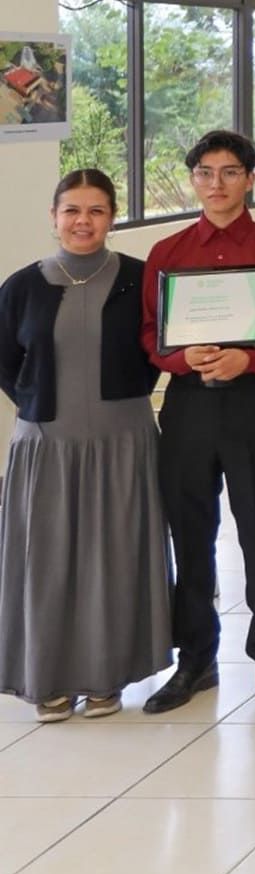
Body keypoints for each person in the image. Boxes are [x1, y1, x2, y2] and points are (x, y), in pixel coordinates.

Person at [140, 130, 255, 714]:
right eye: (206, 172)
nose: (217, 183)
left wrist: (251, 358)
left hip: (251, 404)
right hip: (186, 404)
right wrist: (176, 358)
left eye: (230, 172)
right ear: (194, 180)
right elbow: (149, 334)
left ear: (250, 179)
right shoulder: (166, 254)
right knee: (190, 533)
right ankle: (196, 659)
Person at [0, 170, 168, 722]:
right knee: (45, 563)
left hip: (123, 440)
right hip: (46, 443)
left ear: (112, 217)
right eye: (72, 210)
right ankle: (45, 678)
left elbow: (158, 349)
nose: (83, 221)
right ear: (53, 217)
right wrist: (33, 399)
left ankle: (105, 679)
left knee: (113, 561)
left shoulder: (141, 280)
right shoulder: (22, 285)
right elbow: (5, 360)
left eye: (96, 211)